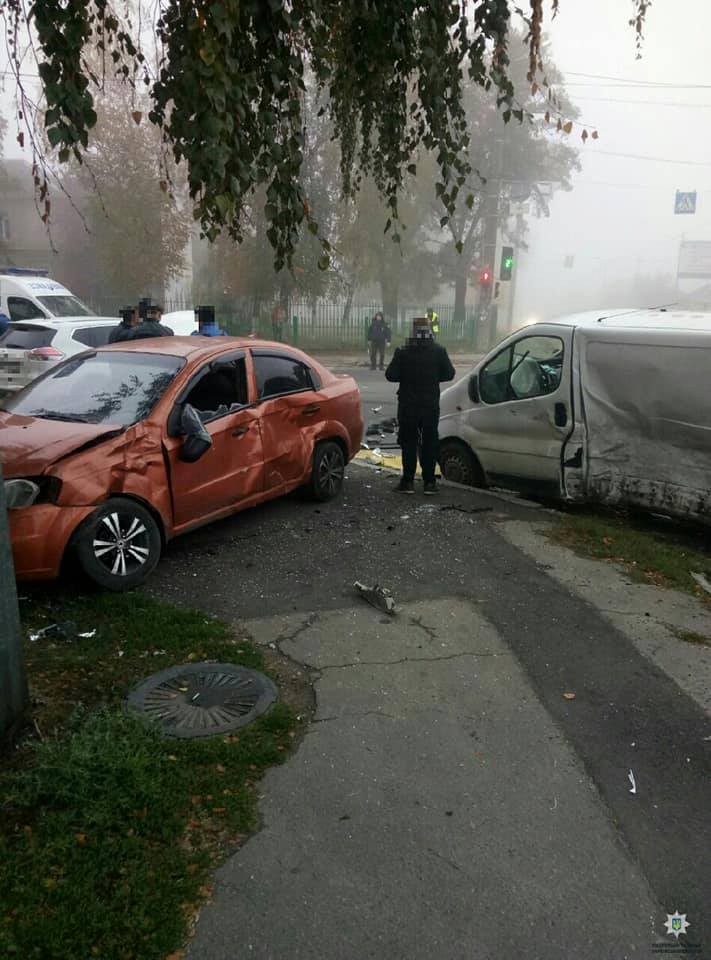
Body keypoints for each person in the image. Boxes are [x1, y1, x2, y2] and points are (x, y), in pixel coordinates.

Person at [385, 316, 455, 495]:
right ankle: (429, 483)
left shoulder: (403, 352)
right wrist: (433, 377)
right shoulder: (438, 351)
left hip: (408, 405)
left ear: (412, 332)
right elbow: (449, 374)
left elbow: (391, 375)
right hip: (430, 405)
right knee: (429, 443)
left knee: (409, 442)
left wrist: (406, 375)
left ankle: (407, 482)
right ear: (430, 330)